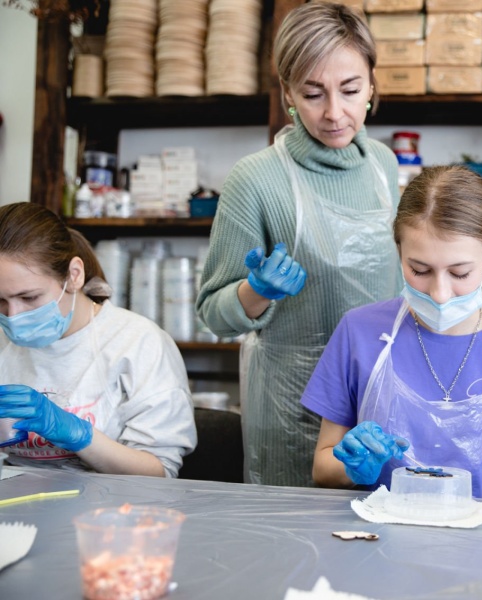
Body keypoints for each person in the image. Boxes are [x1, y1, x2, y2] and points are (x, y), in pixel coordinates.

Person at [196, 3, 402, 487]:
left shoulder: (384, 166)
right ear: (287, 92)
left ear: (372, 85)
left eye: (350, 90)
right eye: (313, 93)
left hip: (375, 395)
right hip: (293, 404)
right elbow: (212, 313)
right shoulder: (256, 179)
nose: (334, 112)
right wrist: (256, 291)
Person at [301, 165, 482, 502]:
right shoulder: (359, 333)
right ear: (399, 250)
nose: (440, 293)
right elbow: (322, 469)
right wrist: (351, 468)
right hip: (374, 531)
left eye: (460, 273)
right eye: (420, 270)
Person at [0, 202, 196, 477]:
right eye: (0, 301)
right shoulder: (4, 345)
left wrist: (78, 435)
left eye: (29, 297)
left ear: (74, 276)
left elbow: (158, 472)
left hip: (112, 501)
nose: (13, 316)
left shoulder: (138, 342)